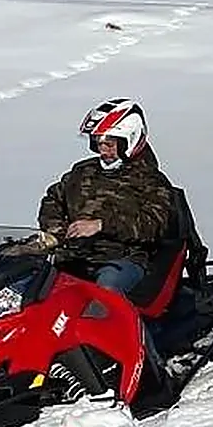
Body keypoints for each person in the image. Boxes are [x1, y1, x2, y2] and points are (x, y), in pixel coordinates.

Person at [37, 97, 175, 296]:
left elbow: (153, 225)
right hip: (72, 255)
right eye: (98, 143)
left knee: (104, 294)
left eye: (110, 144)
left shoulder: (150, 180)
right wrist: (56, 232)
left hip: (120, 260)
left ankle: (119, 326)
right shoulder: (82, 171)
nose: (103, 150)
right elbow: (53, 200)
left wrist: (101, 225)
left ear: (131, 140)